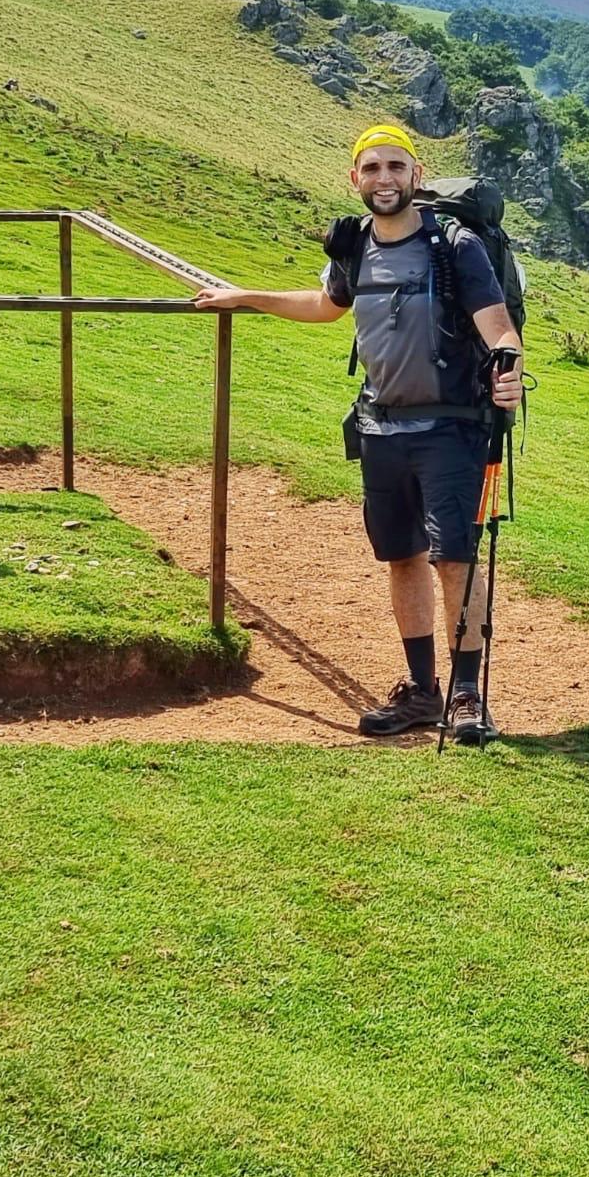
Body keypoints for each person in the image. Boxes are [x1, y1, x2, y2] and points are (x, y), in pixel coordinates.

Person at [195, 123, 524, 744]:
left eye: (396, 168)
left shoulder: (454, 246)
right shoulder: (354, 247)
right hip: (381, 427)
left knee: (455, 559)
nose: (384, 180)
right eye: (372, 169)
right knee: (402, 558)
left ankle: (467, 696)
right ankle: (422, 692)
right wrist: (246, 297)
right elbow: (328, 306)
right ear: (355, 179)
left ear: (416, 176)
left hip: (452, 428)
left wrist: (509, 370)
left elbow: (498, 326)